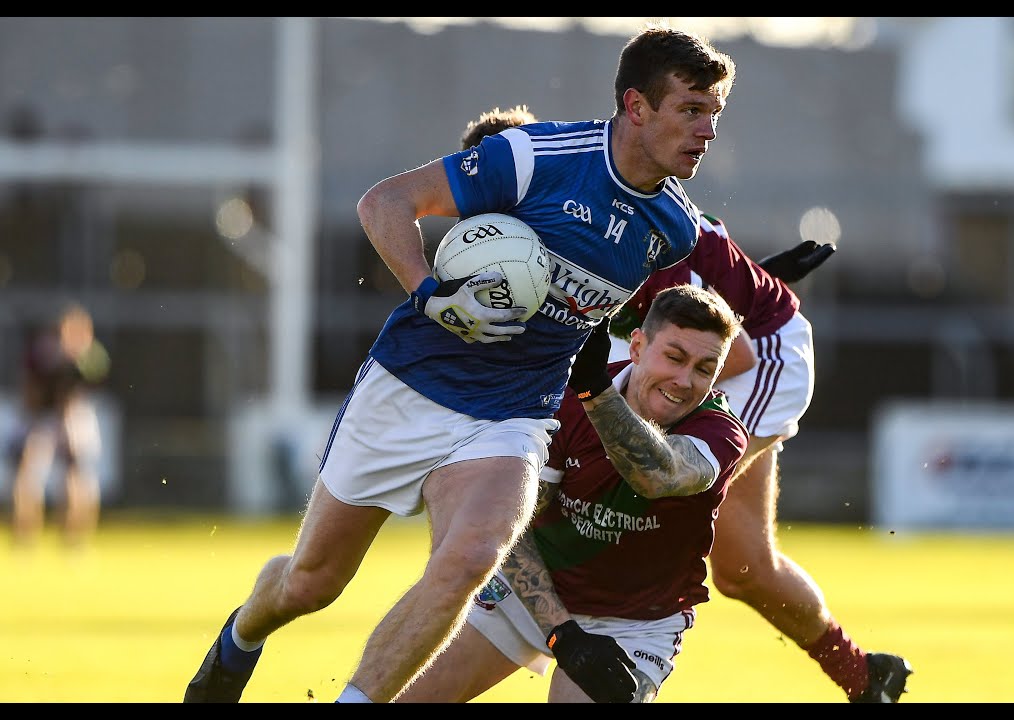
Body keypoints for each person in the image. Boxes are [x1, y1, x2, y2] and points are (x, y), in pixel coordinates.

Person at [184, 25, 736, 704]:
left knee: (472, 558)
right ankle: (241, 636)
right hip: (411, 385)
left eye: (714, 113)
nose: (707, 130)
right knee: (311, 583)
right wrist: (429, 293)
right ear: (636, 106)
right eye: (691, 109)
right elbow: (384, 203)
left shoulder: (673, 228)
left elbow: (633, 313)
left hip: (514, 414)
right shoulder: (536, 158)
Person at [459, 106, 912, 703]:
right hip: (705, 343)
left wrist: (749, 297)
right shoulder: (556, 226)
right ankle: (865, 676)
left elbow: (729, 354)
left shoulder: (600, 227)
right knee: (742, 567)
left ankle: (599, 631)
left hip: (759, 358)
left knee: (659, 500)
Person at [395, 283, 750, 703]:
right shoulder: (567, 398)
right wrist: (561, 633)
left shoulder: (720, 431)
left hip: (638, 622)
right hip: (532, 591)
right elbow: (513, 530)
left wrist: (595, 392)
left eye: (705, 369)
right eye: (674, 357)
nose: (684, 381)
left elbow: (657, 475)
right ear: (637, 346)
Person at [9, 302, 109, 549]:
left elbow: (96, 376)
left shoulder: (89, 355)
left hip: (73, 415)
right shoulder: (45, 352)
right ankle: (25, 535)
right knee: (28, 475)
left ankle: (74, 538)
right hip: (43, 416)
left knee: (78, 478)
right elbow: (32, 387)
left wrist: (78, 357)